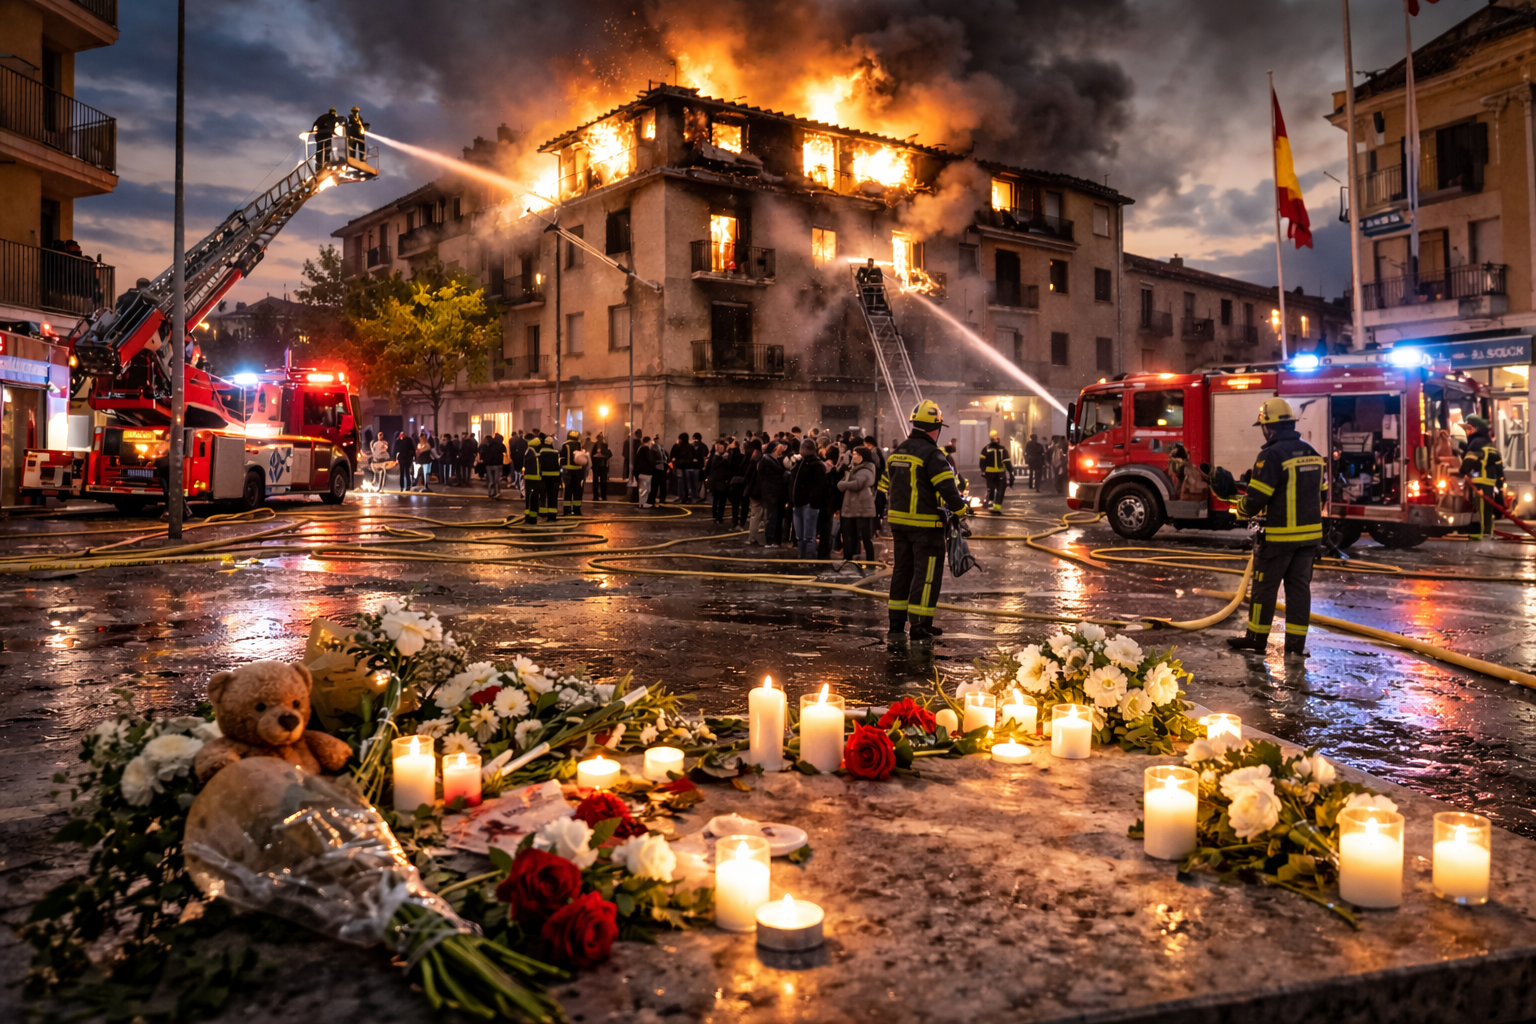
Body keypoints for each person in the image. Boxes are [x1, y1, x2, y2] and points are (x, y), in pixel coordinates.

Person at [1222, 397, 1327, 659]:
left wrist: (1233, 501)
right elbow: (1320, 495)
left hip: (1278, 539)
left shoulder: (1270, 455)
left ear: (1268, 427)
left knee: (1264, 589)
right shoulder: (1314, 454)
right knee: (1299, 591)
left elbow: (1256, 502)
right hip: (1309, 539)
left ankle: (1256, 639)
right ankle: (1295, 647)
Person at [877, 400, 970, 640]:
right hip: (926, 527)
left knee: (902, 572)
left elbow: (883, 486)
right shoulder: (932, 454)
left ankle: (896, 625)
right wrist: (960, 512)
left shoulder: (897, 452)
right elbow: (948, 489)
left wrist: (879, 515)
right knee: (926, 576)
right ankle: (919, 626)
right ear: (935, 428)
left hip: (898, 525)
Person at [1460, 414, 1505, 546]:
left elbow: (1467, 464)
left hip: (1479, 483)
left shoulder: (1475, 444)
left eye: (1468, 429)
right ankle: (1487, 533)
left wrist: (1462, 470)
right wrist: (1499, 483)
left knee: (1478, 508)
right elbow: (1499, 467)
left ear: (1473, 429)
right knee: (1487, 509)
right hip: (1490, 483)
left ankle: (1479, 535)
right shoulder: (1491, 445)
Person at [838, 446, 878, 564]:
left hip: (862, 508)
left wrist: (845, 483)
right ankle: (849, 559)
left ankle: (870, 561)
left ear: (862, 456)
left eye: (856, 454)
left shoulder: (868, 469)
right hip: (849, 507)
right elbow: (840, 484)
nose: (853, 457)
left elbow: (857, 484)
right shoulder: (852, 469)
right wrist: (846, 483)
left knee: (866, 536)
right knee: (849, 535)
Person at [789, 437, 827, 559]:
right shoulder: (801, 463)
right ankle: (802, 556)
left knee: (809, 536)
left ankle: (809, 559)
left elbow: (821, 485)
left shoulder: (816, 464)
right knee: (800, 535)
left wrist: (810, 497)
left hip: (808, 505)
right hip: (798, 504)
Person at [756, 442, 788, 546]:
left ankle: (774, 540)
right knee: (772, 519)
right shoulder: (769, 461)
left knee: (774, 519)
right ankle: (770, 541)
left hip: (774, 494)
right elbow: (780, 470)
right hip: (772, 495)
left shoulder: (769, 460)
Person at [980, 430, 1013, 513]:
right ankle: (997, 507)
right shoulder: (1002, 449)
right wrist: (1011, 472)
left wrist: (983, 471)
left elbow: (982, 462)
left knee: (991, 488)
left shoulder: (985, 449)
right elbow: (1007, 462)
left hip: (989, 474)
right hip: (1000, 473)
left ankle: (991, 502)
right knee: (1000, 490)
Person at [704, 441, 732, 522]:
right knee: (718, 499)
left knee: (718, 499)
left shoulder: (715, 456)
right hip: (718, 480)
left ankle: (717, 515)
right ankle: (717, 516)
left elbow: (709, 467)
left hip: (717, 480)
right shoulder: (722, 457)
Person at [559, 429, 586, 516]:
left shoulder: (565, 445)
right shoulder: (579, 445)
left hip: (567, 471)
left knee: (567, 491)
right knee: (577, 491)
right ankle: (577, 510)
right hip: (578, 471)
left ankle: (567, 511)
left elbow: (562, 459)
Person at [537, 433, 561, 521]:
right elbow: (559, 465)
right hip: (555, 479)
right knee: (553, 498)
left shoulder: (541, 452)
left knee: (543, 496)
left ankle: (542, 514)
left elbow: (539, 465)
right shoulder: (556, 453)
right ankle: (552, 516)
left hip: (543, 479)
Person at [521, 436, 543, 523]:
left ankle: (530, 516)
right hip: (533, 478)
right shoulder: (532, 452)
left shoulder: (529, 451)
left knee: (530, 497)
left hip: (530, 478)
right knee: (532, 498)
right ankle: (531, 517)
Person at [670, 432, 697, 503]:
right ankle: (689, 497)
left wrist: (676, 461)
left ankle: (681, 497)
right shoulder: (691, 447)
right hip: (689, 467)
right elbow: (694, 456)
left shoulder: (677, 446)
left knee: (680, 482)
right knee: (688, 482)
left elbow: (672, 456)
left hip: (679, 466)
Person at [480, 431, 506, 498]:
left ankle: (490, 492)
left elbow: (483, 453)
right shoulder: (500, 445)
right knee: (496, 480)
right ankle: (497, 492)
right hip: (498, 464)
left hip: (488, 464)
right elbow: (504, 452)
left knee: (490, 480)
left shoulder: (487, 446)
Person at [649, 436, 669, 510]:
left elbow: (651, 458)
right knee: (662, 485)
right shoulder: (661, 448)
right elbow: (666, 457)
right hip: (663, 467)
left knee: (655, 485)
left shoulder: (653, 448)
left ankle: (652, 499)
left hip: (656, 468)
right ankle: (662, 498)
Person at [635, 436, 656, 508]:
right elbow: (650, 459)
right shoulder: (645, 449)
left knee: (644, 488)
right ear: (648, 441)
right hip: (646, 472)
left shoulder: (640, 449)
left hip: (641, 471)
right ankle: (643, 503)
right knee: (646, 488)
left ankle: (642, 502)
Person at [591, 434, 612, 501]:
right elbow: (592, 454)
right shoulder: (595, 445)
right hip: (597, 466)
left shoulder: (605, 445)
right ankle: (596, 496)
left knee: (603, 481)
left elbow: (609, 454)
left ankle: (603, 496)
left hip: (602, 465)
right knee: (596, 482)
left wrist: (604, 456)